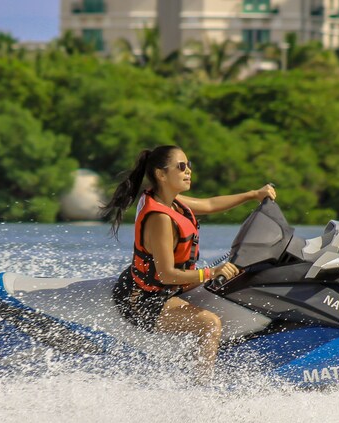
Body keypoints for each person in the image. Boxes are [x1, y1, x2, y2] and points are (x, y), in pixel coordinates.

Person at [102, 145, 276, 376]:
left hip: (165, 286)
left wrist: (254, 194)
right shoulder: (160, 218)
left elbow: (210, 205)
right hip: (144, 300)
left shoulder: (171, 201)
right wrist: (210, 273)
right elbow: (165, 274)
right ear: (161, 174)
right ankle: (200, 390)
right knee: (209, 324)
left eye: (189, 166)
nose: (188, 171)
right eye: (181, 166)